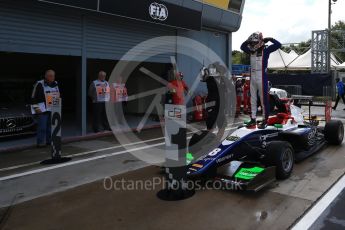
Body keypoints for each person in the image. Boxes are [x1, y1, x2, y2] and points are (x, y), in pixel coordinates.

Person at [241, 32, 281, 128]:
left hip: (262, 76)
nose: (252, 45)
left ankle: (265, 120)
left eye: (254, 42)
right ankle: (253, 119)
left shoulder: (266, 50)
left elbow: (278, 45)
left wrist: (270, 38)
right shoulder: (251, 51)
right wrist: (247, 40)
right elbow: (242, 47)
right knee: (252, 99)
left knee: (264, 100)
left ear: (259, 42)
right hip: (252, 76)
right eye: (251, 43)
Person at [31, 69, 60, 147]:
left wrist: (57, 109)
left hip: (52, 108)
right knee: (42, 127)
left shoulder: (56, 84)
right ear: (46, 76)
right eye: (50, 76)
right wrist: (36, 108)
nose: (52, 77)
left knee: (50, 127)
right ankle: (40, 143)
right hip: (42, 110)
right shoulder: (39, 84)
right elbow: (33, 97)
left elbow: (57, 96)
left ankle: (49, 141)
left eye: (53, 76)